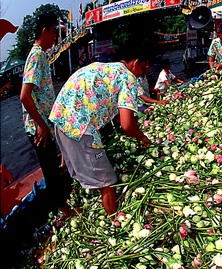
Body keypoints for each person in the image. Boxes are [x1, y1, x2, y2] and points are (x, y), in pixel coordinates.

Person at [49, 50, 152, 218]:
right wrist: (143, 138)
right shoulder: (128, 78)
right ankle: (115, 221)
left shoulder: (106, 68)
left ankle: (70, 208)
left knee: (80, 170)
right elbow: (127, 126)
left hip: (61, 119)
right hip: (80, 127)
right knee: (107, 180)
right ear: (136, 62)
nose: (143, 73)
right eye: (144, 67)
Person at [20, 12, 72, 216]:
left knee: (52, 165)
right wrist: (41, 125)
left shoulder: (41, 55)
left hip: (43, 124)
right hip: (37, 127)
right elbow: (24, 96)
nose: (55, 38)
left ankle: (61, 201)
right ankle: (63, 209)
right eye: (54, 32)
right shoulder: (36, 56)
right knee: (49, 170)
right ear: (45, 30)